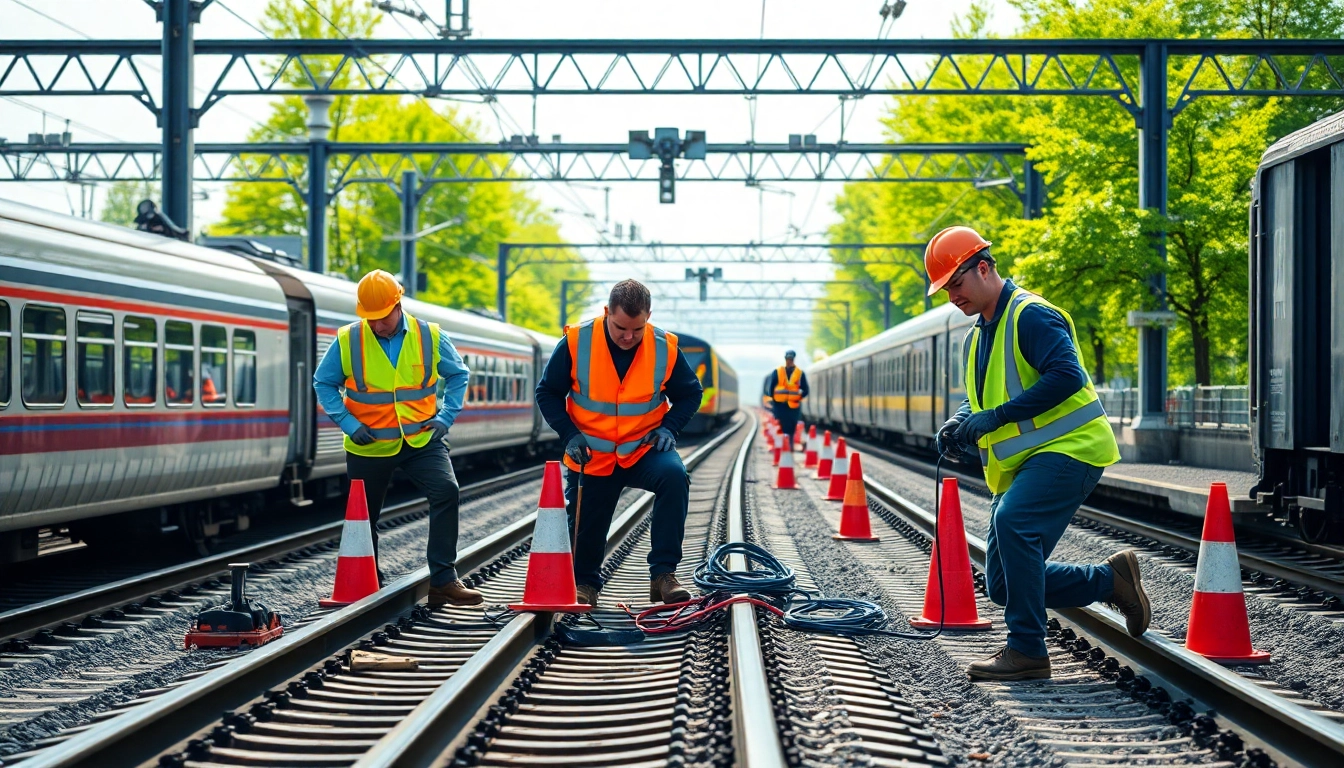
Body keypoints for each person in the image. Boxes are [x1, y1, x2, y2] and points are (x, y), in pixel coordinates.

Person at [925, 226, 1149, 681]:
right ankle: (1110, 581)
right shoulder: (978, 336)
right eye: (945, 289)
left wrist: (998, 416)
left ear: (983, 268)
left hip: (1071, 449)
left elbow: (1067, 376)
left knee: (1014, 524)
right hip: (1025, 463)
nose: (952, 296)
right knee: (1004, 584)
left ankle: (1027, 649)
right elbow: (981, 398)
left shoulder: (1030, 315)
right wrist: (962, 418)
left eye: (956, 284)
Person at [312, 269, 480, 608]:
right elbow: (323, 383)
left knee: (447, 490)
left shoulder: (429, 335)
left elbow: (458, 375)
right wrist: (347, 422)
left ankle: (444, 580)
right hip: (368, 442)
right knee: (364, 515)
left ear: (397, 304)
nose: (376, 325)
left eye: (382, 317)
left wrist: (446, 417)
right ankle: (366, 582)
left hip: (421, 439)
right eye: (369, 318)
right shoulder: (349, 339)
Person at [535, 279, 704, 607]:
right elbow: (548, 392)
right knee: (587, 522)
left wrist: (669, 428)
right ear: (606, 313)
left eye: (637, 329)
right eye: (620, 328)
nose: (629, 337)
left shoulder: (663, 346)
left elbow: (690, 393)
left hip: (642, 449)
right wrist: (570, 435)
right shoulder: (576, 342)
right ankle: (585, 584)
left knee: (675, 477)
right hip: (592, 453)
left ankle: (663, 575)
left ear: (648, 316)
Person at [764, 350, 808, 441]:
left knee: (791, 429)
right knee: (780, 428)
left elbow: (806, 390)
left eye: (791, 359)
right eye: (788, 359)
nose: (789, 361)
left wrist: (797, 397)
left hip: (793, 407)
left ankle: (789, 447)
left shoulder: (800, 373)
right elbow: (771, 389)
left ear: (794, 359)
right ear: (785, 359)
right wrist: (775, 401)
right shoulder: (777, 372)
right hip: (780, 407)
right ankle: (781, 447)